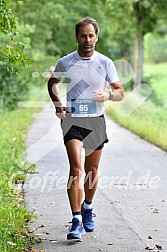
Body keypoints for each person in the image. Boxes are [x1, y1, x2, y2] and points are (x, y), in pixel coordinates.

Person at [48, 17, 124, 240]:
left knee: (91, 171)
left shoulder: (105, 62)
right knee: (76, 169)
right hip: (73, 121)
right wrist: (58, 105)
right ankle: (76, 220)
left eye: (91, 35)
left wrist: (107, 94)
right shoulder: (66, 62)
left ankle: (88, 207)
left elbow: (120, 92)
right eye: (83, 35)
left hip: (95, 121)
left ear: (96, 37)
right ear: (77, 37)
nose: (87, 40)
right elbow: (52, 83)